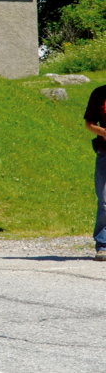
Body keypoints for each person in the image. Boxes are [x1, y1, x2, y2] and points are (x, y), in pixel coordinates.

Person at [83, 83, 106, 261]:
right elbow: (88, 124)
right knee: (105, 201)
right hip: (105, 153)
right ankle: (103, 245)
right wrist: (102, 132)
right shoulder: (99, 94)